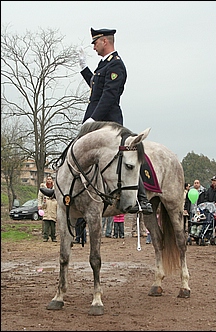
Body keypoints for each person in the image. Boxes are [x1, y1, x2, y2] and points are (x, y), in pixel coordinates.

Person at [78, 27, 153, 216]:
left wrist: (95, 119)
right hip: (94, 116)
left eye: (95, 42)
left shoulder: (116, 65)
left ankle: (141, 198)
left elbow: (109, 95)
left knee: (129, 154)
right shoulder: (104, 65)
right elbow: (96, 87)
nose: (94, 47)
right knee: (77, 150)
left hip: (108, 119)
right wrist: (83, 68)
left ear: (105, 41)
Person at [205, 176, 216, 244]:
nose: (213, 182)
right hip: (210, 211)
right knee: (210, 224)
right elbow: (206, 198)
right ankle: (209, 237)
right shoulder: (209, 190)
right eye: (212, 181)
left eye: (215, 180)